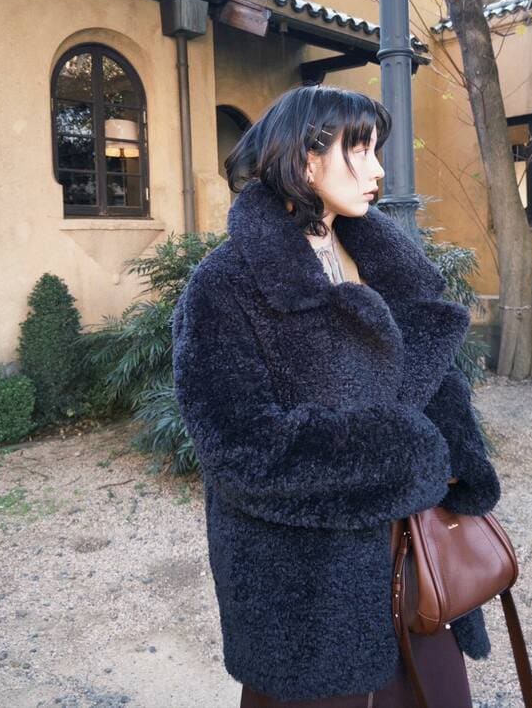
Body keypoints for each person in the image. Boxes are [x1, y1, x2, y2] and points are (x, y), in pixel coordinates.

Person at [172, 84, 502, 707]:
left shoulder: (381, 257)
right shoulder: (225, 285)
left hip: (414, 550)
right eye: (359, 150)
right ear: (305, 159)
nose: (378, 171)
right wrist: (395, 453)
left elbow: (431, 377)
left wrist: (459, 455)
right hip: (307, 580)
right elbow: (239, 447)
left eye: (376, 150)